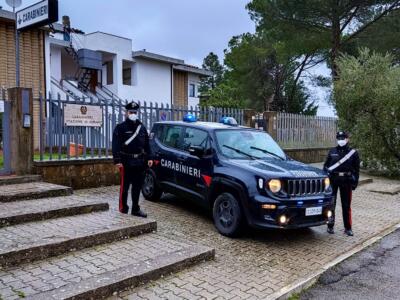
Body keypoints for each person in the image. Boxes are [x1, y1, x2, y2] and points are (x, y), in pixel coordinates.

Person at [112, 101, 153, 217]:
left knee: (137, 186)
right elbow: (115, 145)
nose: (133, 114)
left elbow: (147, 144)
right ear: (126, 113)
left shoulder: (142, 127)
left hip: (139, 162)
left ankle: (135, 209)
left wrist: (149, 157)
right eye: (131, 112)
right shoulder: (120, 128)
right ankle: (123, 208)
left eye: (135, 112)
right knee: (124, 187)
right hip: (126, 162)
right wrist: (117, 160)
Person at [324, 131, 360, 236]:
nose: (341, 140)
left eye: (343, 138)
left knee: (346, 206)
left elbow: (357, 170)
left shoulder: (353, 152)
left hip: (347, 181)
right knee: (331, 204)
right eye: (339, 138)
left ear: (347, 139)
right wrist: (326, 182)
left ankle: (348, 228)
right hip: (333, 180)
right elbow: (325, 167)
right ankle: (330, 225)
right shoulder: (332, 151)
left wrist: (355, 183)